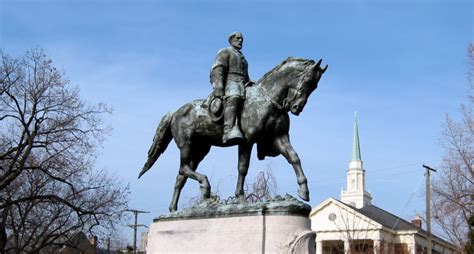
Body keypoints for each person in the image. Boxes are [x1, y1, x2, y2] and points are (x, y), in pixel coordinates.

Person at [210, 31, 251, 144]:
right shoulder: (225, 52)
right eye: (238, 38)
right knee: (235, 96)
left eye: (241, 39)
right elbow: (217, 68)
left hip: (242, 84)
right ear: (231, 40)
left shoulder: (243, 58)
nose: (240, 40)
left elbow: (246, 76)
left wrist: (251, 83)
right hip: (230, 83)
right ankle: (228, 130)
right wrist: (218, 86)